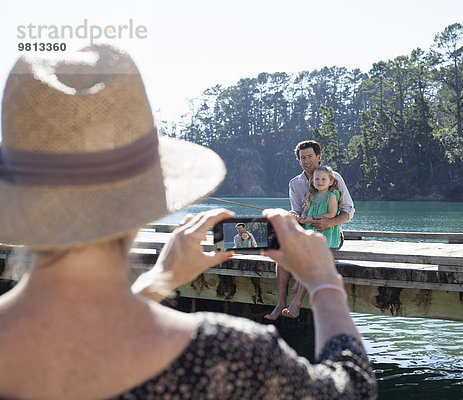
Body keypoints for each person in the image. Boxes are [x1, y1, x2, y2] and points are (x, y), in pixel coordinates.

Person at [0, 45, 376, 399]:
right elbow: (352, 387)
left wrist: (154, 282)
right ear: (147, 197)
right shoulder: (229, 353)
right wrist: (324, 283)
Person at [265, 140, 355, 320]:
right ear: (299, 161)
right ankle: (281, 303)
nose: (307, 161)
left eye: (310, 156)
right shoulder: (295, 184)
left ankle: (296, 303)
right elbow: (299, 213)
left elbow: (349, 210)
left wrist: (330, 223)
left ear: (318, 157)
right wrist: (293, 216)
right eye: (302, 158)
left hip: (329, 234)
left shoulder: (333, 177)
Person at [299, 165, 342, 249]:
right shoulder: (311, 195)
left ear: (331, 182)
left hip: (325, 231)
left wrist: (313, 219)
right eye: (317, 179)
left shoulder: (332, 195)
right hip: (310, 230)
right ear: (312, 181)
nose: (320, 182)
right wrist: (303, 218)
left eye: (323, 179)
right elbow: (305, 211)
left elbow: (331, 214)